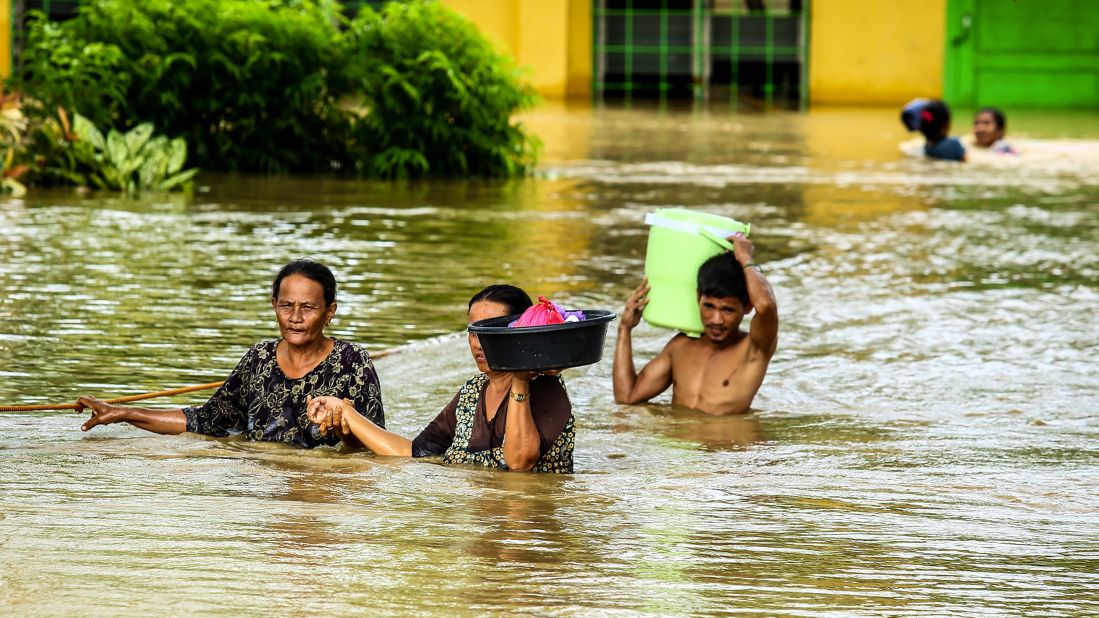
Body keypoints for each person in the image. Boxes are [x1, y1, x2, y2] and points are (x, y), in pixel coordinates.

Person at [77, 259, 384, 449]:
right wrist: (123, 414)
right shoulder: (258, 359)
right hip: (266, 488)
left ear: (329, 312)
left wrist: (344, 430)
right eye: (286, 305)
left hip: (323, 490)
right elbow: (205, 421)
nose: (295, 317)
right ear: (274, 305)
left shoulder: (351, 362)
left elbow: (379, 448)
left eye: (308, 308)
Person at [306, 285, 575, 473]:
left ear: (519, 333)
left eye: (490, 331)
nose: (478, 343)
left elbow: (519, 465)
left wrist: (519, 378)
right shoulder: (472, 392)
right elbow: (415, 453)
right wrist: (346, 413)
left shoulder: (546, 388)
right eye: (472, 332)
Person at [613, 233, 778, 416]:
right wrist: (624, 329)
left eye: (727, 310)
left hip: (728, 444)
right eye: (709, 306)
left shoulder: (754, 349)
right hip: (678, 442)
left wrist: (746, 258)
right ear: (698, 297)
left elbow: (765, 305)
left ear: (747, 307)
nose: (716, 319)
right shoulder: (680, 347)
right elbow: (626, 397)